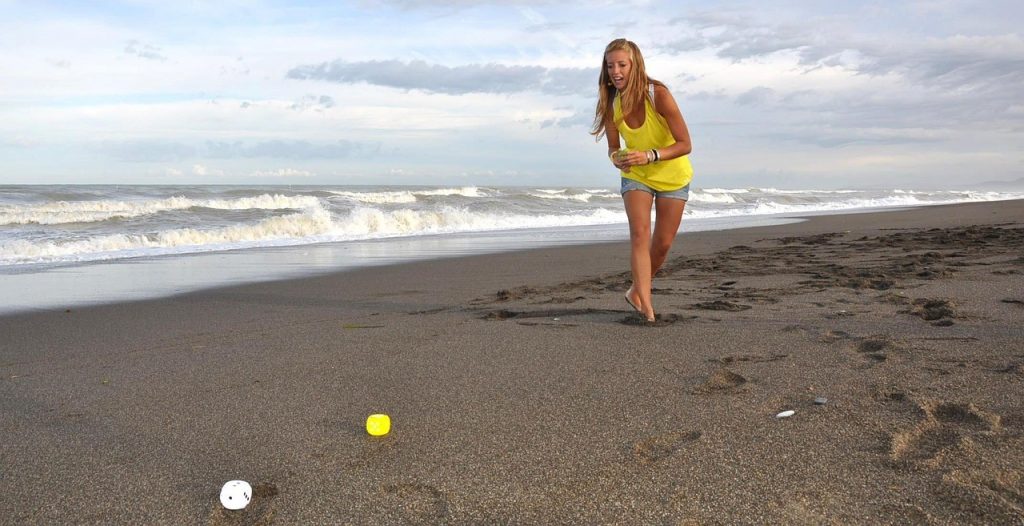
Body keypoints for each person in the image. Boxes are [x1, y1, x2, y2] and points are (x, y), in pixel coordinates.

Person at [591, 38, 693, 323]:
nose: (616, 71)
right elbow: (613, 147)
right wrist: (617, 158)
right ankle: (646, 308)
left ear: (635, 65)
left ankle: (636, 290)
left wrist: (651, 155)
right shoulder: (611, 101)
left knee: (661, 245)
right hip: (636, 175)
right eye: (610, 66)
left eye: (622, 64)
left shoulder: (657, 94)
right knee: (639, 234)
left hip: (672, 174)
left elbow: (685, 144)